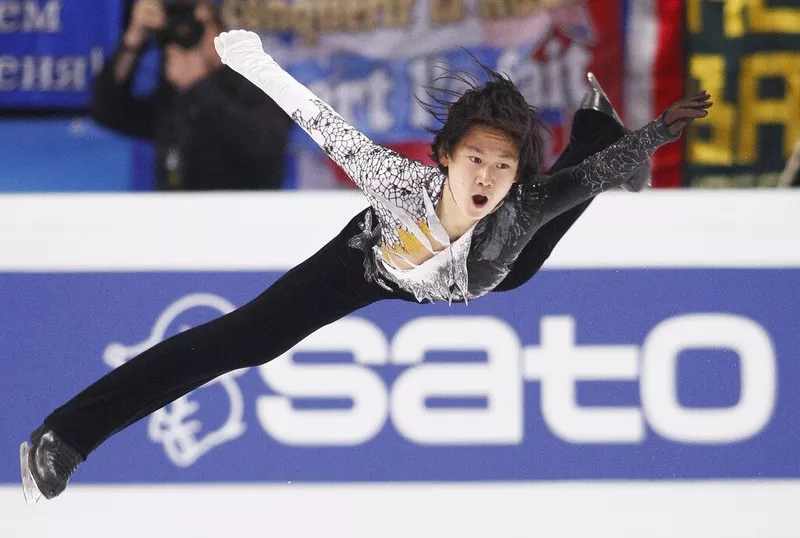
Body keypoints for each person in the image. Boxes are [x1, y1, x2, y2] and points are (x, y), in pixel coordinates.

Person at [20, 30, 713, 502]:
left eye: (503, 167)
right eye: (476, 159)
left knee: (532, 247)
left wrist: (656, 134)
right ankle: (68, 436)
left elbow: (593, 177)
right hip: (367, 262)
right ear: (446, 157)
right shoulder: (394, 183)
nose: (488, 176)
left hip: (476, 274)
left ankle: (594, 121)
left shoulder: (517, 210)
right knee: (244, 341)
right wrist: (252, 61)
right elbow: (319, 119)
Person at [91, 0, 292, 190]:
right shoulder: (175, 95)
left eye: (202, 27)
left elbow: (266, 152)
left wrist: (200, 85)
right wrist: (133, 41)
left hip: (243, 218)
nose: (191, 38)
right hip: (177, 219)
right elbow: (107, 111)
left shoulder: (262, 82)